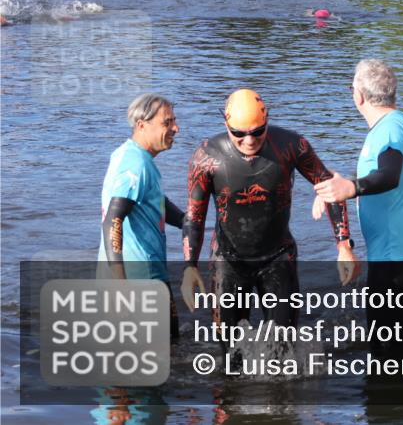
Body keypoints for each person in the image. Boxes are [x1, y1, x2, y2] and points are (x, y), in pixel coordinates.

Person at [181, 89, 360, 330]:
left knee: (283, 347)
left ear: (267, 121)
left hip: (278, 257)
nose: (249, 141)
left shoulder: (291, 145)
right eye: (239, 134)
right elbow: (195, 216)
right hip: (228, 260)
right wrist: (189, 267)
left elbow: (331, 187)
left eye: (257, 132)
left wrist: (343, 246)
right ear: (226, 123)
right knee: (231, 354)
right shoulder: (206, 157)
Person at [312, 59, 403, 359]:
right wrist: (343, 183)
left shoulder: (388, 131)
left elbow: (389, 175)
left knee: (385, 351)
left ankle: (386, 401)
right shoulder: (397, 122)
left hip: (397, 258)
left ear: (359, 96)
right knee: (401, 345)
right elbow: (383, 175)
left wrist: (350, 188)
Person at [99, 94, 183, 337]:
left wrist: (188, 221)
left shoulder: (129, 155)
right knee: (164, 352)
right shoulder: (135, 165)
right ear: (142, 125)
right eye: (167, 123)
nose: (175, 128)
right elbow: (112, 221)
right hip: (140, 279)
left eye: (174, 121)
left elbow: (153, 201)